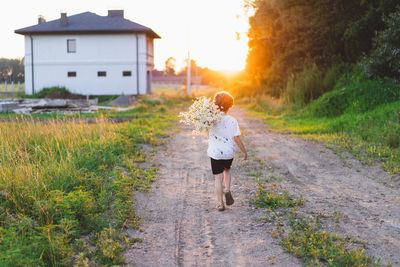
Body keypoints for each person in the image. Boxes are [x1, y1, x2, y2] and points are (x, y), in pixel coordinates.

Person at [207, 91, 247, 211]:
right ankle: (228, 189)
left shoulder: (210, 119)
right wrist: (244, 151)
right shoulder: (232, 120)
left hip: (215, 153)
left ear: (215, 104)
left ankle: (220, 204)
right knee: (227, 170)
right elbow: (236, 138)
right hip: (228, 153)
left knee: (218, 178)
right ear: (230, 105)